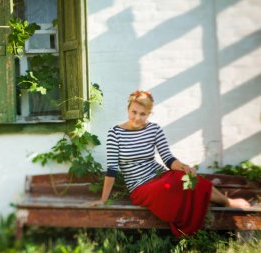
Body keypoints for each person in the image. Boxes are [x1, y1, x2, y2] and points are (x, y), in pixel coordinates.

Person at [89, 90, 251, 236]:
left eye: (143, 114)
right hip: (140, 187)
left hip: (160, 174)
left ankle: (227, 201)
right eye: (134, 112)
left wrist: (183, 166)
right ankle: (210, 195)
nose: (137, 118)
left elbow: (168, 159)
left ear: (149, 114)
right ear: (128, 109)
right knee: (171, 187)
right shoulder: (115, 133)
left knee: (185, 177)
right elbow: (112, 169)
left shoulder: (154, 129)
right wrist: (104, 200)